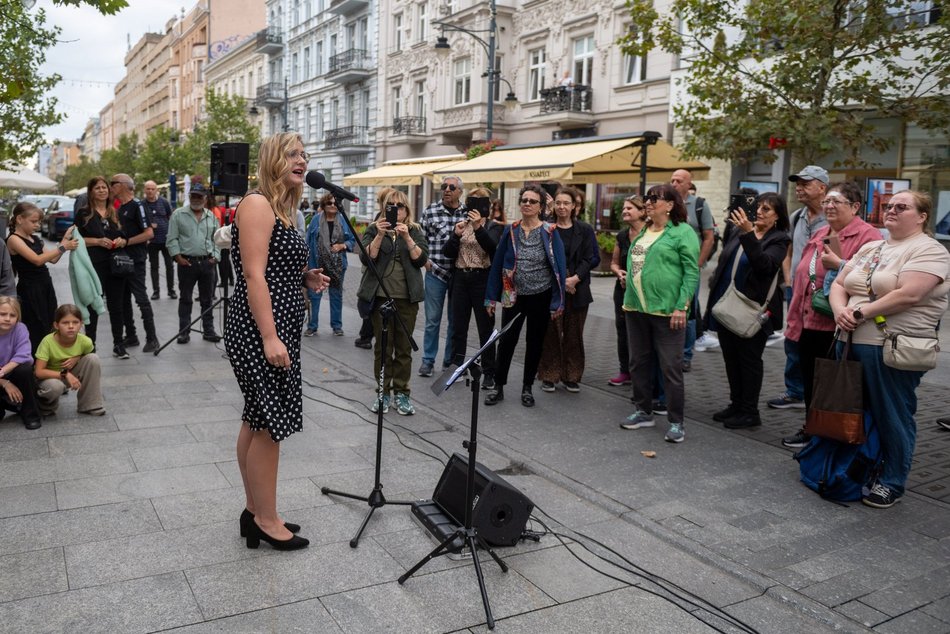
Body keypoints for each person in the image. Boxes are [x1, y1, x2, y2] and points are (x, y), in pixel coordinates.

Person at [224, 132, 329, 550]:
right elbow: (253, 274)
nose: (302, 160)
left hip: (278, 325)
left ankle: (256, 512)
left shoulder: (283, 209)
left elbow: (272, 268)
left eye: (304, 154)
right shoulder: (257, 204)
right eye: (292, 154)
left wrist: (304, 277)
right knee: (271, 424)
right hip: (258, 329)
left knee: (256, 418)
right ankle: (265, 520)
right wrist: (269, 336)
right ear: (272, 160)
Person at [830, 190, 950, 508]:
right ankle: (856, 470)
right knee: (854, 412)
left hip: (891, 346)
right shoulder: (872, 247)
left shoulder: (929, 250)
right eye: (889, 205)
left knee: (892, 414)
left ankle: (892, 481)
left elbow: (909, 294)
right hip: (849, 342)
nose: (891, 210)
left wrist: (859, 313)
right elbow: (839, 283)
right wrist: (840, 311)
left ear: (922, 216)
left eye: (902, 207)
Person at [781, 182, 882, 447]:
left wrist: (840, 264)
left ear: (855, 206)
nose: (829, 206)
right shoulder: (821, 232)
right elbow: (804, 276)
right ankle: (812, 428)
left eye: (836, 201)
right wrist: (794, 320)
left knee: (834, 384)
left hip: (840, 325)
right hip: (808, 319)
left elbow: (875, 277)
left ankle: (834, 435)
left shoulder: (868, 236)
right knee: (811, 380)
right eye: (827, 201)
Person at [619, 184, 699, 443]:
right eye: (647, 198)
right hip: (636, 308)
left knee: (670, 367)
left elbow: (691, 272)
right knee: (638, 362)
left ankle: (676, 422)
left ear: (670, 205)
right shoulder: (644, 230)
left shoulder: (682, 232)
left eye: (655, 198)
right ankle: (643, 411)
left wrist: (681, 306)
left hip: (667, 311)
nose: (648, 202)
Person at [706, 193, 791, 429]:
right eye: (758, 207)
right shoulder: (737, 231)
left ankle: (750, 411)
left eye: (767, 209)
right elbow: (724, 264)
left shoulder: (779, 240)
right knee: (731, 358)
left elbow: (764, 266)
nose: (760, 212)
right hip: (729, 305)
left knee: (749, 361)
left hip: (754, 310)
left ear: (777, 216)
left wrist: (748, 234)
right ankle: (736, 404)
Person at [484, 184, 567, 408]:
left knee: (534, 342)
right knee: (507, 341)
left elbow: (560, 268)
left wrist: (558, 302)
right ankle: (498, 387)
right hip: (513, 294)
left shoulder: (550, 232)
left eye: (532, 201)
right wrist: (490, 297)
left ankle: (527, 387)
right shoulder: (511, 230)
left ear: (541, 207)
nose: (527, 204)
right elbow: (497, 264)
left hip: (541, 294)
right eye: (524, 200)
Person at [357, 190, 428, 416]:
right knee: (382, 348)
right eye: (391, 206)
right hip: (381, 297)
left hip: (407, 298)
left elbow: (421, 260)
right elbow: (366, 257)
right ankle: (382, 393)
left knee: (404, 348)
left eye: (400, 206)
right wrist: (379, 235)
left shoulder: (415, 230)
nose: (396, 210)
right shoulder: (373, 229)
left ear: (407, 210)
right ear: (384, 208)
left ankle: (402, 394)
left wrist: (407, 238)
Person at [770, 165, 829, 411]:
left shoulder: (834, 216)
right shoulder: (797, 216)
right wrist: (788, 279)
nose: (799, 188)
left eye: (806, 184)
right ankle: (795, 391)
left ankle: (819, 394)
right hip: (795, 288)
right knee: (793, 338)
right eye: (798, 184)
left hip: (822, 292)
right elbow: (789, 251)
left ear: (822, 188)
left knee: (818, 343)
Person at [443, 186, 505, 390]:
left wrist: (479, 227)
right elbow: (447, 252)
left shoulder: (493, 226)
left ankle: (489, 372)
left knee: (485, 328)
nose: (475, 206)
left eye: (480, 201)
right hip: (461, 278)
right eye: (472, 201)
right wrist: (455, 235)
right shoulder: (462, 224)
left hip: (482, 280)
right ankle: (457, 367)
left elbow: (492, 247)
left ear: (487, 205)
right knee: (458, 327)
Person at [537, 187, 596, 393]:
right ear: (554, 206)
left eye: (566, 203)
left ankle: (572, 376)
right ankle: (549, 375)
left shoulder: (585, 230)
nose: (562, 207)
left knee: (574, 334)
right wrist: (561, 281)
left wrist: (575, 278)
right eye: (558, 203)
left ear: (574, 207)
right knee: (551, 333)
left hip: (577, 289)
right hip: (551, 287)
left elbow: (591, 257)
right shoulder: (547, 228)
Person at [6, 202, 78, 352]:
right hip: (30, 288)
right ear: (19, 219)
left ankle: (49, 356)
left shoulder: (36, 238)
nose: (37, 225)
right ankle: (35, 360)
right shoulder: (14, 239)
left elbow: (53, 259)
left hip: (46, 285)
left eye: (39, 222)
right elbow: (37, 260)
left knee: (50, 322)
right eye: (33, 221)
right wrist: (64, 247)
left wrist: (65, 239)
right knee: (36, 326)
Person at [74, 176, 131, 358]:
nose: (102, 190)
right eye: (97, 188)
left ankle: (119, 344)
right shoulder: (84, 213)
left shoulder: (115, 212)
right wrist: (97, 241)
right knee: (93, 304)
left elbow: (125, 236)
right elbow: (75, 240)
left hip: (116, 265)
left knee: (117, 305)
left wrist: (122, 240)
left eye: (104, 187)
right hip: (94, 265)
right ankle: (90, 344)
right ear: (91, 191)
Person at [418, 176, 466, 377]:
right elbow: (420, 239)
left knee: (455, 321)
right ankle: (428, 361)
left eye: (451, 187)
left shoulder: (467, 213)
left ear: (460, 191)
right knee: (432, 320)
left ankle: (449, 361)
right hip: (435, 272)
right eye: (444, 186)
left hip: (459, 274)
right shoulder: (430, 211)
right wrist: (424, 261)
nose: (446, 189)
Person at [167, 184, 222, 345]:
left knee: (207, 299)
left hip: (207, 263)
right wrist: (177, 257)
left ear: (205, 199)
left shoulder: (211, 216)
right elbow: (172, 238)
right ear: (189, 197)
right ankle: (184, 332)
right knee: (185, 298)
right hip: (187, 263)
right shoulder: (178, 214)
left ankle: (209, 330)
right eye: (193, 196)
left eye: (199, 196)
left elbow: (217, 239)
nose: (196, 199)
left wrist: (216, 256)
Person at [670, 169, 714, 372]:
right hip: (669, 267)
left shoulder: (699, 205)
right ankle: (670, 351)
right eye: (672, 180)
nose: (674, 184)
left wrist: (697, 264)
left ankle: (686, 354)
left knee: (688, 310)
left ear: (689, 184)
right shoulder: (666, 203)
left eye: (679, 181)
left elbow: (708, 237)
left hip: (689, 269)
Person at [111, 173, 159, 353]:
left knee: (140, 298)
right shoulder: (119, 207)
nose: (110, 187)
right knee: (123, 299)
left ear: (124, 185)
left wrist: (127, 242)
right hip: (121, 260)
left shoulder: (137, 205)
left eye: (113, 183)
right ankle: (131, 335)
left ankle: (152, 338)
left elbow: (149, 233)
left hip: (136, 260)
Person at [34, 304, 105, 418]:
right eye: (65, 323)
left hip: (70, 375)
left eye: (75, 322)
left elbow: (88, 358)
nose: (71, 326)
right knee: (55, 386)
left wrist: (78, 357)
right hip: (49, 379)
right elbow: (39, 372)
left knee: (93, 359)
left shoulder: (85, 341)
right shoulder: (47, 342)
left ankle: (89, 404)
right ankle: (45, 407)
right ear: (56, 325)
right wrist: (65, 374)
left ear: (81, 324)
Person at [608, 196, 647, 387]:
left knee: (642, 332)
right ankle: (625, 371)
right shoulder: (622, 236)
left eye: (630, 208)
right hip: (622, 291)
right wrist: (618, 272)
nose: (624, 211)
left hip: (645, 292)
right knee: (623, 330)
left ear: (642, 211)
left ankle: (642, 374)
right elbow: (614, 263)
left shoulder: (651, 234)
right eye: (624, 208)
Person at [305, 193, 355, 337]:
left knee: (336, 295)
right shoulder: (316, 220)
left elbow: (352, 240)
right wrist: (305, 264)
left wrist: (342, 245)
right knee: (315, 295)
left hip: (337, 266)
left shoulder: (343, 220)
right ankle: (312, 326)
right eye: (329, 203)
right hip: (317, 264)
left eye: (335, 203)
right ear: (324, 205)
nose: (333, 205)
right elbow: (308, 241)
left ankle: (337, 326)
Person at [354, 188, 398, 350]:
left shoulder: (387, 219)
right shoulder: (379, 221)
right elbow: (367, 252)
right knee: (371, 302)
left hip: (380, 273)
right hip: (374, 269)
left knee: (372, 303)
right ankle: (366, 336)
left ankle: (366, 336)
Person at [0, 297, 42, 429]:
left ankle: (31, 415)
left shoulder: (20, 328)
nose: (7, 318)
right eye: (2, 314)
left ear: (17, 317)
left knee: (25, 369)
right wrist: (5, 383)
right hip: (1, 379)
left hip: (12, 371)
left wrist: (3, 372)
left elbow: (23, 354)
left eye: (12, 315)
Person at [143, 180, 177, 300]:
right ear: (144, 190)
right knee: (154, 266)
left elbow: (170, 217)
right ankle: (156, 291)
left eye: (152, 189)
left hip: (165, 239)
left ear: (156, 190)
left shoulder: (164, 202)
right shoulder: (142, 204)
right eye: (148, 189)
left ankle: (171, 290)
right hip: (151, 241)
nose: (150, 191)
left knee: (169, 266)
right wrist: (149, 225)